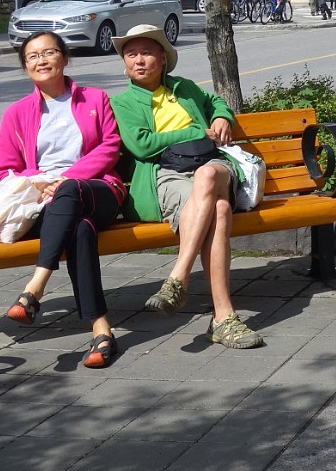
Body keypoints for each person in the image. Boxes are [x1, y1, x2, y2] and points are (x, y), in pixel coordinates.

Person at [110, 24, 263, 350]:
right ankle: (224, 318)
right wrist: (196, 132)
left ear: (163, 58)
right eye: (131, 54)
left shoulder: (185, 88)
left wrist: (221, 117)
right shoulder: (123, 102)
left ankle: (178, 277)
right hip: (167, 173)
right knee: (219, 209)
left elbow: (215, 101)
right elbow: (141, 145)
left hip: (214, 166)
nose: (139, 60)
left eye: (146, 53)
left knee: (207, 176)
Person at [0, 33, 126, 369]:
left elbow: (110, 147)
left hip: (98, 191)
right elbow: (4, 172)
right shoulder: (15, 113)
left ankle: (35, 287)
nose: (41, 60)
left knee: (69, 190)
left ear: (65, 58)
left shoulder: (95, 98)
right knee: (80, 230)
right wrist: (42, 184)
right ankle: (102, 331)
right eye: (32, 56)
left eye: (49, 52)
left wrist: (66, 179)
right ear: (25, 67)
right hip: (47, 204)